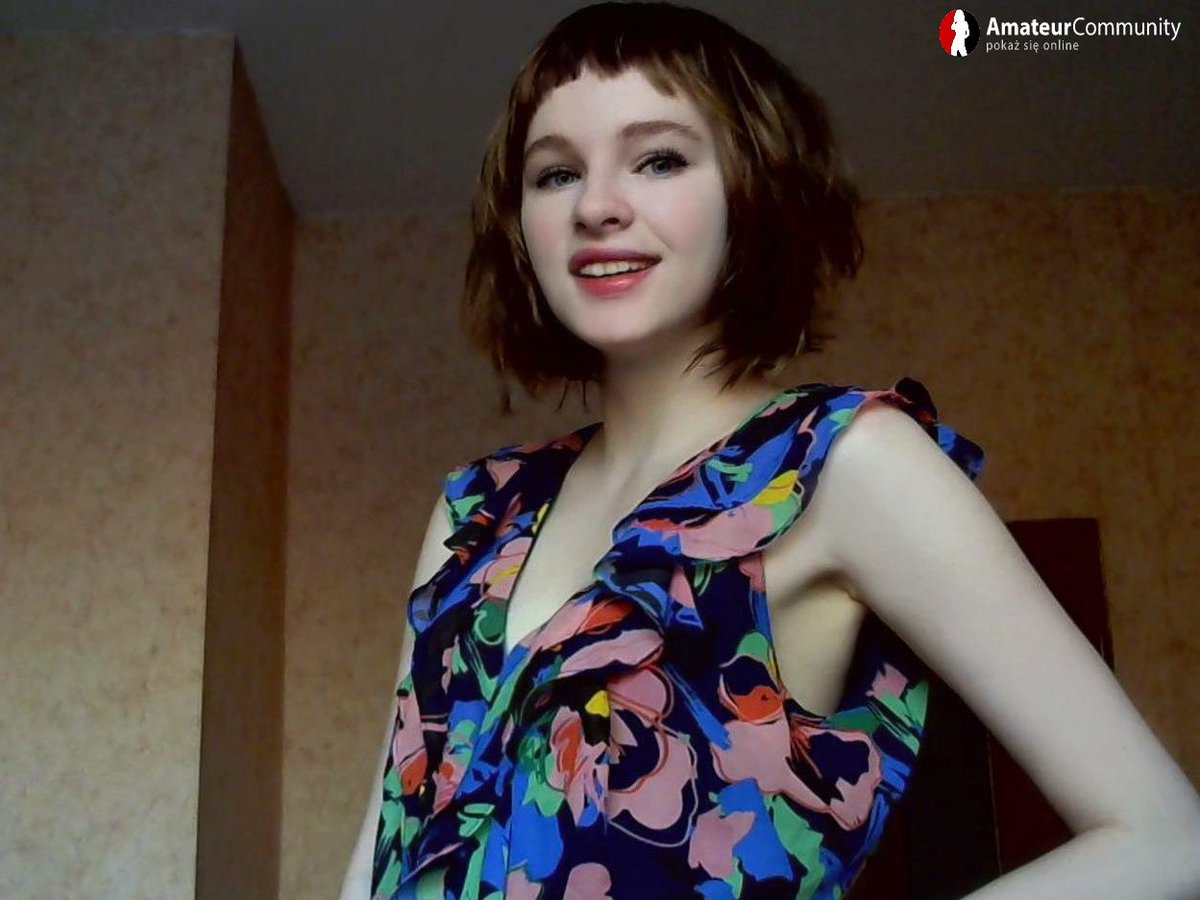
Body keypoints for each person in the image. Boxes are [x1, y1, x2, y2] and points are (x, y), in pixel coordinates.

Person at [341, 3, 1200, 898]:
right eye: (556, 174)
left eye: (659, 159)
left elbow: (1167, 839)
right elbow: (379, 851)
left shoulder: (845, 465)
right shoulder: (478, 510)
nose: (596, 206)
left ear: (751, 189)